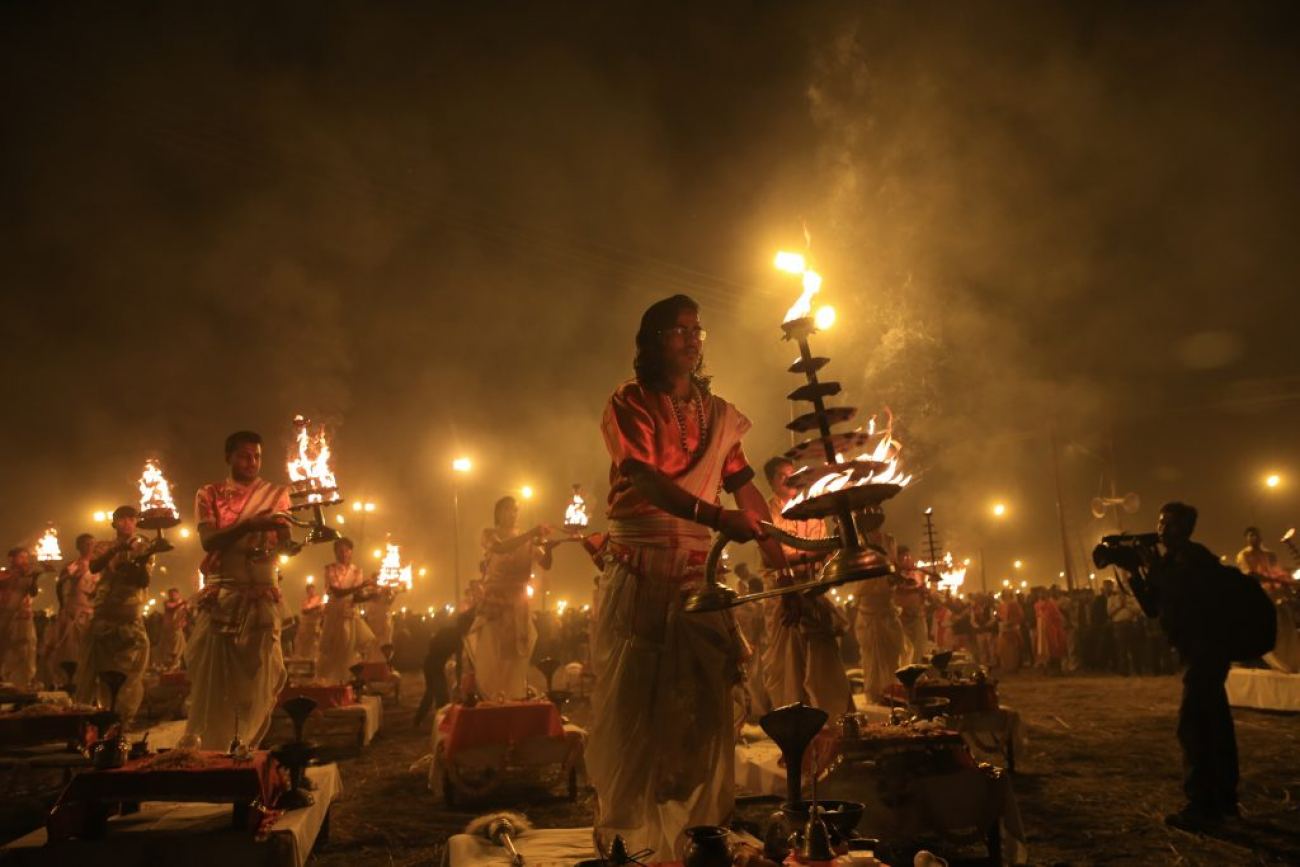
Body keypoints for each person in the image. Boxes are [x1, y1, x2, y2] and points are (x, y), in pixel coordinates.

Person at [588, 295, 788, 859]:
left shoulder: (717, 412)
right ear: (652, 341)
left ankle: (697, 840)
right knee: (638, 709)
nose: (693, 339)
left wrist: (774, 546)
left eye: (698, 329)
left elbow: (743, 483)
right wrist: (717, 517)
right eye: (679, 330)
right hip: (641, 572)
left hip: (698, 576)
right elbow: (644, 479)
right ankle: (632, 844)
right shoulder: (630, 402)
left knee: (701, 709)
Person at [1124, 502, 1239, 830]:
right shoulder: (1171, 561)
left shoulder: (1195, 559)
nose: (1162, 530)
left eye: (1170, 524)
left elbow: (1185, 595)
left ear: (1186, 529)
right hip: (1195, 651)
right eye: (1160, 523)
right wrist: (1136, 574)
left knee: (1194, 726)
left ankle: (1202, 804)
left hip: (1207, 649)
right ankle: (1223, 800)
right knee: (1214, 723)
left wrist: (1152, 566)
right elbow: (1153, 608)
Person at [182, 431, 293, 750]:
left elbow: (284, 544)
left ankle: (246, 745)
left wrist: (291, 539)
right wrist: (249, 525)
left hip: (263, 596)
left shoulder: (277, 494)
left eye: (257, 456)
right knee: (218, 680)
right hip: (226, 596)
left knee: (258, 677)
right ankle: (214, 747)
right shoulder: (210, 493)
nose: (252, 462)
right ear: (228, 457)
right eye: (244, 455)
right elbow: (208, 541)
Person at [759, 456, 851, 715]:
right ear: (771, 482)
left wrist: (818, 554)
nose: (789, 480)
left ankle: (831, 717)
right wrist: (807, 554)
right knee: (787, 661)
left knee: (821, 655)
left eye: (792, 474)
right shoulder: (767, 512)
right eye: (781, 476)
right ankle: (795, 720)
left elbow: (822, 548)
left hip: (812, 588)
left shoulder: (812, 510)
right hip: (782, 592)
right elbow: (772, 556)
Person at [77, 506, 159, 723]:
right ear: (114, 523)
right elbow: (94, 567)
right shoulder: (103, 546)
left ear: (136, 522)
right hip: (105, 616)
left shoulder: (144, 546)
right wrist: (116, 550)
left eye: (131, 518)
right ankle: (103, 718)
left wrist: (141, 558)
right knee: (103, 673)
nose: (126, 522)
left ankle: (123, 721)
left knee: (131, 675)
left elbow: (143, 581)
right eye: (121, 518)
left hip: (131, 617)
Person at [467, 496, 553, 700]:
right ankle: (493, 696)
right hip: (496, 601)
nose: (512, 514)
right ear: (498, 512)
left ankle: (514, 695)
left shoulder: (527, 539)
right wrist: (531, 533)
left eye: (515, 510)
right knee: (495, 651)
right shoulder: (490, 534)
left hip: (519, 603)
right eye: (507, 509)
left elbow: (546, 563)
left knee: (516, 653)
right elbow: (501, 548)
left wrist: (549, 546)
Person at [42, 533, 99, 687]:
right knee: (68, 646)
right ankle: (65, 680)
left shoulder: (99, 565)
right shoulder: (73, 565)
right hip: (74, 608)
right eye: (86, 544)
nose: (90, 547)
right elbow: (60, 584)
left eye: (92, 543)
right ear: (79, 547)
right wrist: (63, 603)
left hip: (92, 609)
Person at [317, 538, 375, 683]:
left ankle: (345, 681)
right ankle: (330, 681)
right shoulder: (330, 569)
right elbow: (337, 592)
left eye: (346, 550)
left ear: (351, 552)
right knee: (333, 648)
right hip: (334, 614)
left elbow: (356, 597)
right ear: (335, 552)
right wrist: (361, 586)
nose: (343, 554)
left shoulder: (357, 571)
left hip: (349, 614)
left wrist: (372, 594)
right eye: (340, 551)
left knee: (349, 649)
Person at [414, 607, 476, 726]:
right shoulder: (458, 639)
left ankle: (418, 720)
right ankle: (442, 724)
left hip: (429, 662)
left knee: (430, 693)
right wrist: (458, 682)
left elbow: (432, 643)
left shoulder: (446, 631)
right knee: (441, 697)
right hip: (435, 665)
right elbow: (459, 663)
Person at [0, 547, 42, 689]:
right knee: (5, 647)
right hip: (5, 616)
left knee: (26, 647)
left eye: (26, 557)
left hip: (23, 617)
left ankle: (25, 681)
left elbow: (33, 592)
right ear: (11, 559)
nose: (25, 560)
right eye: (21, 557)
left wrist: (34, 577)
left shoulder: (29, 576)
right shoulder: (4, 574)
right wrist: (17, 575)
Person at [893, 547, 929, 665]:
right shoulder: (893, 576)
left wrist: (923, 590)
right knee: (904, 651)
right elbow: (897, 592)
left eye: (909, 556)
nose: (907, 560)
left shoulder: (918, 574)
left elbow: (923, 595)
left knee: (919, 649)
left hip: (917, 616)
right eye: (904, 557)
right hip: (901, 619)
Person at [157, 586, 188, 671]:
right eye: (171, 594)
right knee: (169, 649)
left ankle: (177, 664)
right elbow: (171, 609)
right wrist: (182, 604)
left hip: (178, 628)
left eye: (174, 594)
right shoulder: (167, 603)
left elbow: (185, 613)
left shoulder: (181, 603)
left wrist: (186, 608)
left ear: (178, 594)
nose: (172, 596)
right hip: (169, 629)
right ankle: (170, 665)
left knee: (180, 648)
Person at [996, 590, 1024, 672]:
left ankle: (1013, 666)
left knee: (1013, 649)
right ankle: (1006, 666)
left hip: (1012, 629)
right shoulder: (1001, 605)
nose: (1006, 596)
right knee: (1004, 649)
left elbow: (1020, 616)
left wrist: (1011, 622)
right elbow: (999, 615)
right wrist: (1002, 620)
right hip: (1004, 629)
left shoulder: (1015, 605)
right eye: (1004, 595)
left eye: (1007, 595)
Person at [296, 582, 324, 662]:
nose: (311, 592)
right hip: (305, 624)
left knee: (314, 642)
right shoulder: (305, 601)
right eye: (309, 590)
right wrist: (311, 609)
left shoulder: (318, 600)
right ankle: (304, 658)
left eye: (312, 590)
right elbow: (303, 611)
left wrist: (314, 609)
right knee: (304, 641)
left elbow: (321, 611)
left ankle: (313, 658)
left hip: (314, 624)